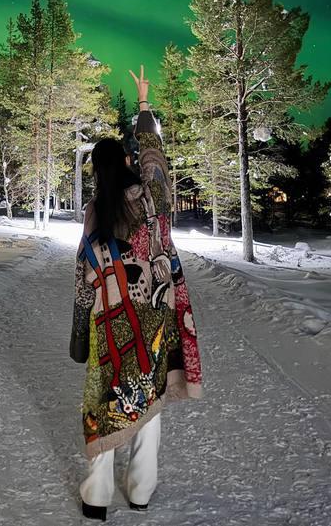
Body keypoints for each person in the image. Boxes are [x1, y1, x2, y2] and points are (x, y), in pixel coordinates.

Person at [70, 65, 202, 521]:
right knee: (149, 399)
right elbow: (156, 158)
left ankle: (97, 497)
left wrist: (80, 333)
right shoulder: (152, 199)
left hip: (107, 320)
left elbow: (83, 274)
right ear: (127, 164)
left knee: (103, 401)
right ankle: (141, 491)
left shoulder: (95, 212)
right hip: (152, 318)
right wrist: (144, 107)